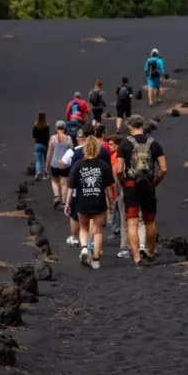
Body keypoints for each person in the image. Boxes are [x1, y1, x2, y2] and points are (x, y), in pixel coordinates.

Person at [116, 115, 167, 266]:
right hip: (148, 186)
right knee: (149, 222)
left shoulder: (124, 144)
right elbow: (163, 169)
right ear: (143, 126)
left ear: (130, 127)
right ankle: (150, 253)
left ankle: (137, 257)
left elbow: (119, 169)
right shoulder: (154, 143)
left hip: (131, 186)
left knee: (132, 222)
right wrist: (154, 183)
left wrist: (123, 182)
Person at [65, 136, 114, 270]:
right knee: (97, 231)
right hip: (98, 202)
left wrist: (67, 204)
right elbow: (108, 188)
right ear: (98, 150)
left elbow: (70, 186)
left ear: (85, 149)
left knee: (83, 228)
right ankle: (96, 260)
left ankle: (85, 248)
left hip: (82, 202)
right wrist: (111, 203)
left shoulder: (77, 165)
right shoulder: (104, 166)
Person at [60, 125, 112, 250]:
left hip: (79, 193)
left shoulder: (75, 152)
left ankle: (77, 240)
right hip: (98, 192)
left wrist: (66, 203)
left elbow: (63, 166)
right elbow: (109, 182)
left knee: (78, 220)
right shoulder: (104, 153)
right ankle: (93, 249)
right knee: (97, 226)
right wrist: (111, 201)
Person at [45, 120, 73, 208]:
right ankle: (64, 202)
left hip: (54, 163)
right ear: (64, 128)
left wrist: (47, 164)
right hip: (65, 164)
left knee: (54, 181)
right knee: (64, 183)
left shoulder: (52, 138)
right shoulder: (68, 138)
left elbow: (49, 151)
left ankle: (57, 196)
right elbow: (72, 151)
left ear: (56, 128)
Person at [32, 112, 50, 182]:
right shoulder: (47, 126)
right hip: (45, 144)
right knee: (46, 160)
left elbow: (34, 135)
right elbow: (48, 136)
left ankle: (38, 172)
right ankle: (45, 174)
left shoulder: (35, 126)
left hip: (38, 144)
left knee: (38, 160)